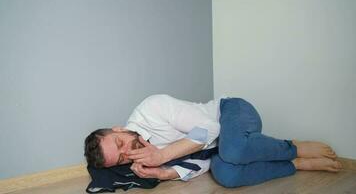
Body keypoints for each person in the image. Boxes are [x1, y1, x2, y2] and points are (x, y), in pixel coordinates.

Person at [84, 94, 342, 187]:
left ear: (118, 129)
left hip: (232, 112)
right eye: (121, 157)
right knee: (226, 176)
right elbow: (201, 162)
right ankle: (294, 164)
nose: (128, 151)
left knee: (232, 149)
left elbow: (211, 128)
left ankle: (292, 146)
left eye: (120, 143)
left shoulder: (152, 107)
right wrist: (164, 173)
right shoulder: (138, 160)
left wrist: (162, 156)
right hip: (223, 149)